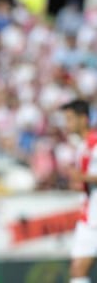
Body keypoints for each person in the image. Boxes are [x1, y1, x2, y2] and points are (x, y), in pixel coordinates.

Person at [61, 99, 97, 283]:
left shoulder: (95, 143)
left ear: (83, 119)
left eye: (69, 119)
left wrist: (81, 177)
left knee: (78, 270)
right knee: (77, 270)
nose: (66, 124)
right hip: (90, 216)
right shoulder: (82, 146)